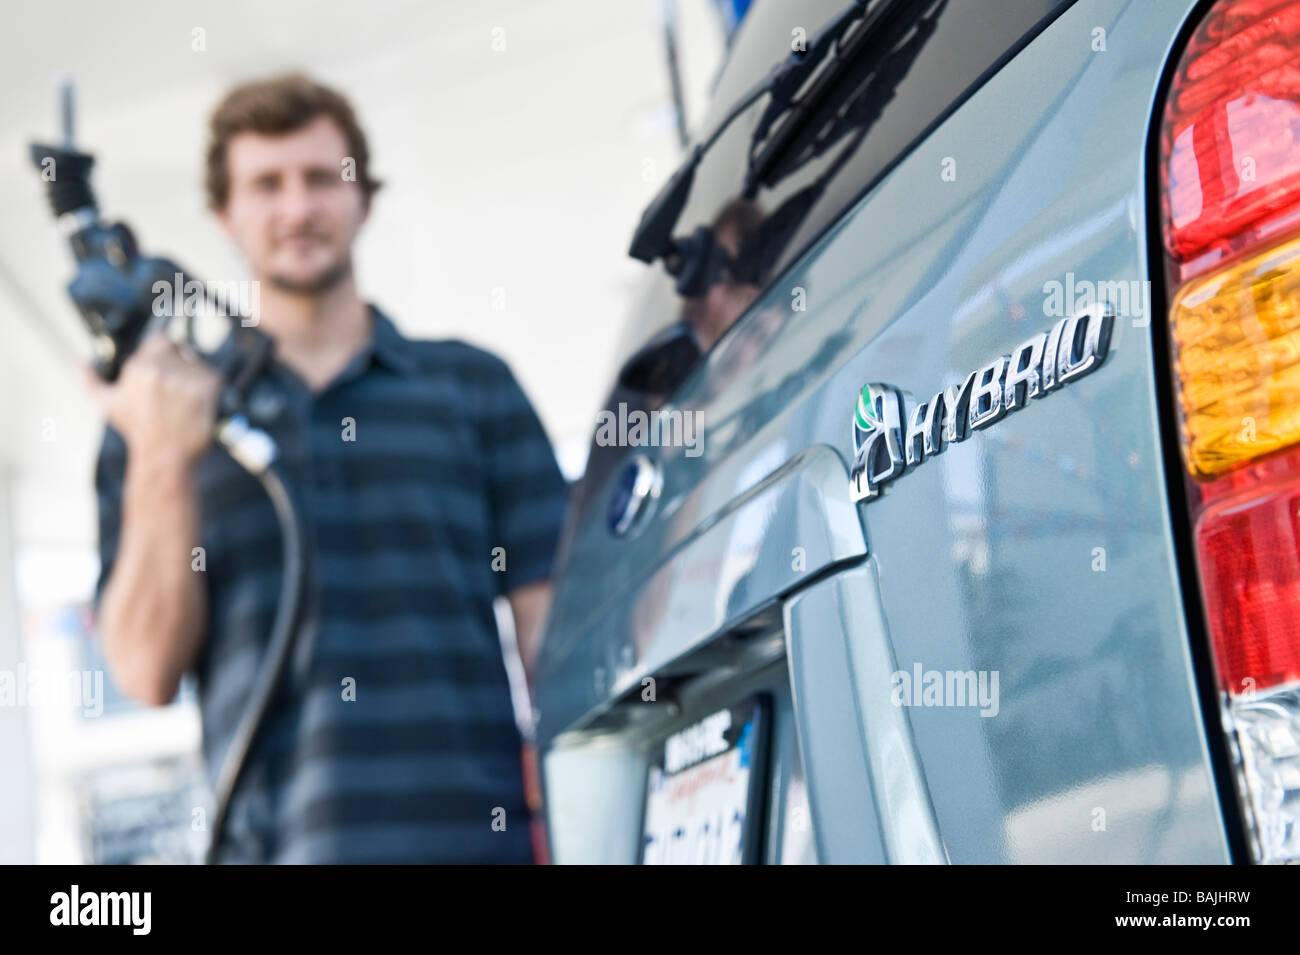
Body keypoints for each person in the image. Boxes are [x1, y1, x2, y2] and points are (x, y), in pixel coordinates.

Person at [87, 73, 568, 863]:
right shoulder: (159, 425)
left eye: (321, 178)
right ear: (226, 215)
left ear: (363, 199)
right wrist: (164, 456)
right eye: (266, 184)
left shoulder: (473, 386)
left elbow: (552, 639)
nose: (297, 208)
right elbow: (144, 670)